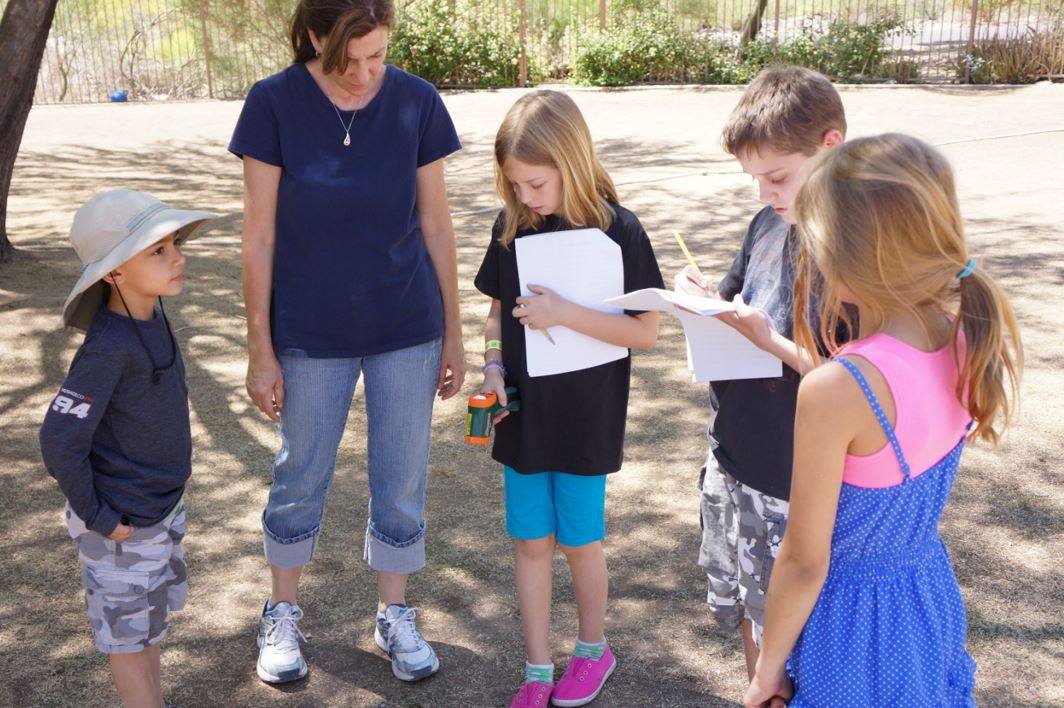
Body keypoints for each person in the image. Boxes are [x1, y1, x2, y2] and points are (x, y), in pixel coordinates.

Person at [228, 0, 465, 684]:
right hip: (309, 330)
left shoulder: (417, 101)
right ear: (313, 37)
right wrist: (259, 347)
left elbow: (437, 226)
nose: (365, 75)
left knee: (402, 478)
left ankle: (394, 614)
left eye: (378, 57)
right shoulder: (272, 103)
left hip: (407, 326)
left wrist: (453, 334)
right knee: (300, 473)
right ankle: (280, 612)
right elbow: (259, 236)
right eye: (348, 60)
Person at [745, 134, 1022, 706]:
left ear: (844, 256)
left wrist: (767, 671)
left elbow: (804, 560)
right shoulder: (963, 332)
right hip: (926, 598)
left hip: (851, 627)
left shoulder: (840, 388)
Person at [474, 90, 664, 708]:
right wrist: (493, 366)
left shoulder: (620, 230)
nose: (526, 197)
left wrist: (565, 314)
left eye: (536, 183)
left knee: (581, 540)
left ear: (571, 161)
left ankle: (592, 651)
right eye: (515, 185)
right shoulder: (510, 227)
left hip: (587, 416)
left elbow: (644, 331)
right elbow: (496, 316)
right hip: (523, 416)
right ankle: (536, 670)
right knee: (531, 542)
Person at [672, 65, 845, 676]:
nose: (766, 194)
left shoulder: (856, 254)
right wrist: (701, 301)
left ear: (830, 145)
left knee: (795, 632)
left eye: (778, 177)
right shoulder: (769, 223)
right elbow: (734, 300)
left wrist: (770, 341)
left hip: (793, 476)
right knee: (753, 611)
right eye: (756, 180)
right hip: (735, 454)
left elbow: (858, 385)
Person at [40, 189, 214, 707]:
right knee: (128, 642)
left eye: (175, 243)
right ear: (114, 271)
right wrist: (99, 516)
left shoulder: (154, 318)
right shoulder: (108, 347)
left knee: (147, 630)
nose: (177, 257)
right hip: (121, 526)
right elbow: (59, 438)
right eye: (157, 250)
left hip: (160, 511)